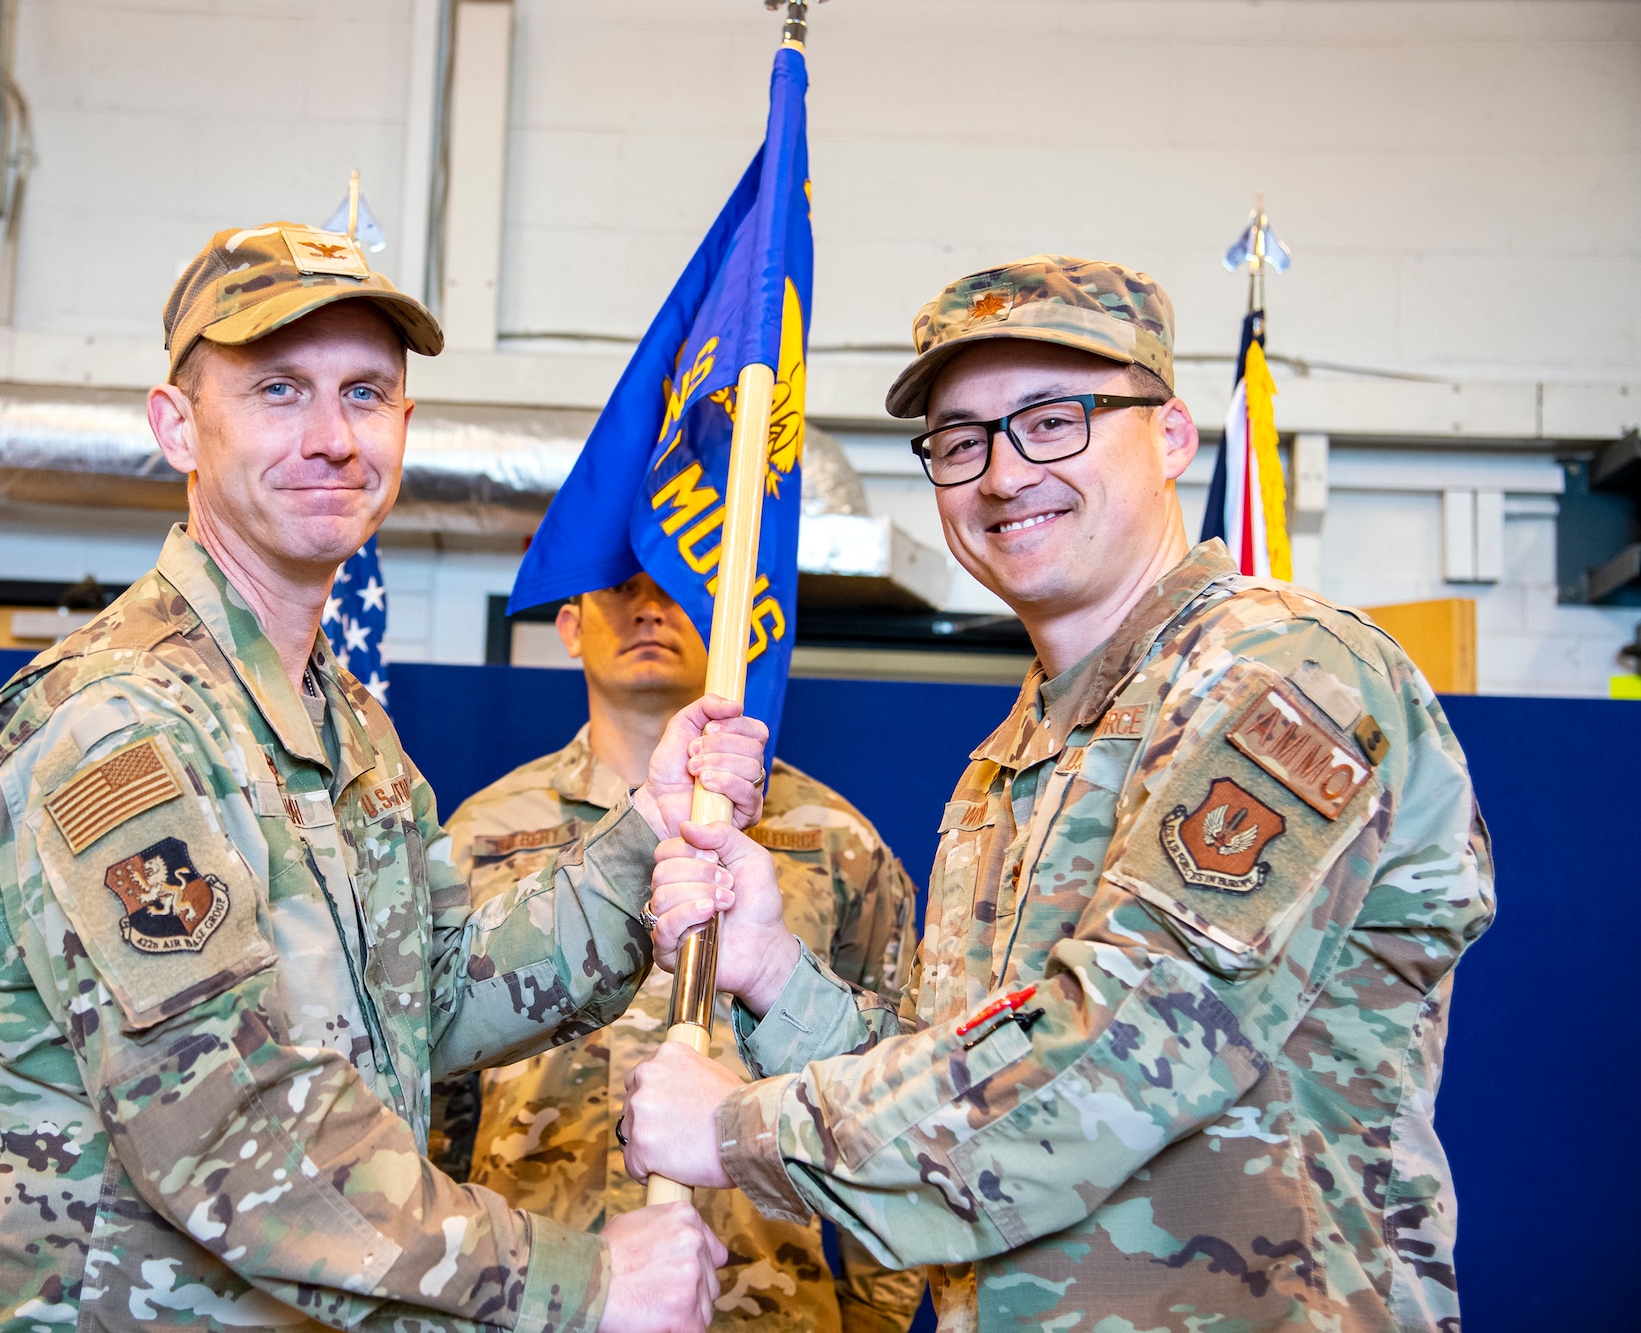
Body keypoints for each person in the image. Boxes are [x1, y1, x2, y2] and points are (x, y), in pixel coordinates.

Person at [0, 221, 774, 1333]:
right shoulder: (118, 725)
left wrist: (639, 842)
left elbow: (433, 994)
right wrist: (581, 1281)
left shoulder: (348, 729)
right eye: (277, 390)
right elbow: (226, 1126)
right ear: (179, 424)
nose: (330, 437)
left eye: (366, 393)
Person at [624, 256, 1496, 1331]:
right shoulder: (1017, 749)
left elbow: (1123, 1053)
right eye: (960, 439)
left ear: (1171, 435)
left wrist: (735, 1131)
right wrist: (773, 975)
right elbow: (968, 1064)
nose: (1000, 475)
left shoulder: (1279, 673)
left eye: (1053, 420)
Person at [429, 572, 925, 1333]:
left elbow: (891, 1091)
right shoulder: (479, 832)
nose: (650, 609)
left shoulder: (837, 842)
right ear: (568, 626)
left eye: (677, 589)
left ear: (733, 627)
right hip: (539, 1305)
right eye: (619, 589)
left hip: (770, 1310)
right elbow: (435, 1108)